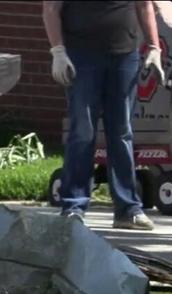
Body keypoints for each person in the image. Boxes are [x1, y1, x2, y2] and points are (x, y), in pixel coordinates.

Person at [43, 1, 164, 229]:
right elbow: (51, 8)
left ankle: (128, 210)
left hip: (125, 55)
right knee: (82, 131)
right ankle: (74, 206)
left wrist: (154, 47)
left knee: (121, 132)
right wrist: (57, 51)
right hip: (81, 56)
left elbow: (144, 5)